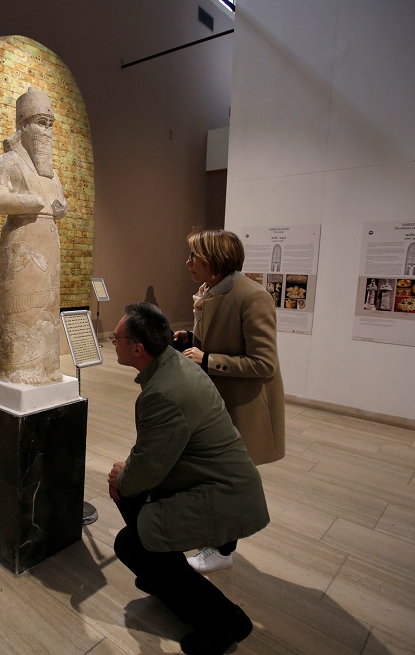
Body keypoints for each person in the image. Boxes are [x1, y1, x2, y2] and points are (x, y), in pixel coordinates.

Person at [108, 302, 269, 654]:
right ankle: (161, 575)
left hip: (223, 497)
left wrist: (122, 479)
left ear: (137, 348)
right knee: (138, 534)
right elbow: (156, 453)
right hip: (215, 484)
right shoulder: (171, 367)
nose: (112, 341)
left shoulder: (163, 391)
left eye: (116, 337)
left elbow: (147, 468)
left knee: (131, 541)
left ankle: (227, 622)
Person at [173, 229, 285, 573]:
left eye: (195, 257)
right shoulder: (212, 291)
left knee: (228, 479)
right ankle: (212, 536)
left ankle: (223, 550)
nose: (188, 263)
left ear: (215, 262)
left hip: (242, 404)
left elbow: (263, 363)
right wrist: (191, 339)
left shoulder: (253, 297)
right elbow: (223, 339)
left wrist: (207, 359)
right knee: (212, 473)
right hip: (217, 402)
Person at [0, 87, 68, 385]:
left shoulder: (52, 173)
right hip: (22, 243)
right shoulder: (7, 163)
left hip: (48, 243)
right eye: (40, 122)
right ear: (23, 125)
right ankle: (15, 371)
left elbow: (57, 203)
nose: (46, 130)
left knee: (46, 310)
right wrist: (28, 202)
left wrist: (60, 209)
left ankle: (46, 369)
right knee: (20, 311)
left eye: (50, 124)